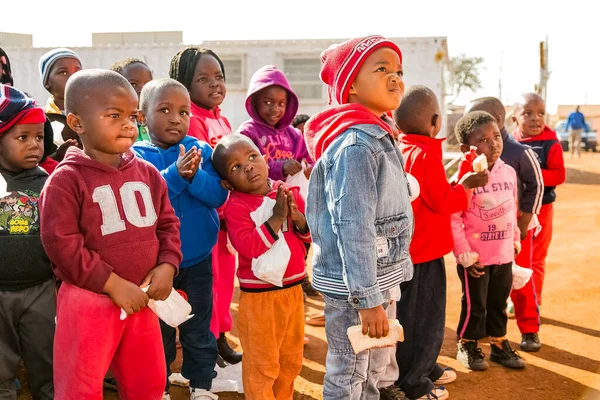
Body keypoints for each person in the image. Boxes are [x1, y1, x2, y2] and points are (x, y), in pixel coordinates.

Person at [39, 69, 183, 400]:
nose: (128, 124)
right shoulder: (66, 180)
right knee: (80, 386)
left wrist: (167, 265)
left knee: (147, 382)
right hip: (88, 302)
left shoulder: (147, 173)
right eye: (113, 115)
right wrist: (112, 284)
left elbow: (167, 224)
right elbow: (62, 245)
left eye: (132, 115)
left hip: (142, 300)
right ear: (77, 123)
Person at [303, 35, 414, 399]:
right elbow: (353, 227)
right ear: (350, 85)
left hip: (379, 279)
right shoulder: (356, 147)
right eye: (382, 69)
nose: (395, 78)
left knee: (376, 367)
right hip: (358, 289)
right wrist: (367, 300)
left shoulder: (381, 136)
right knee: (349, 372)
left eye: (398, 71)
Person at [133, 78, 227, 400]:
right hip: (156, 266)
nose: (176, 118)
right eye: (165, 110)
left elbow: (217, 196)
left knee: (198, 326)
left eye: (184, 111)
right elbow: (144, 203)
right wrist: (175, 174)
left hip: (198, 260)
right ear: (142, 115)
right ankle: (159, 387)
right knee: (156, 332)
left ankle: (201, 386)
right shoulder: (134, 158)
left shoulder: (201, 149)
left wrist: (195, 175)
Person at [394, 86, 488, 400]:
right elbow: (445, 201)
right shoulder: (424, 154)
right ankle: (415, 382)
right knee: (425, 319)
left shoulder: (403, 147)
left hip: (409, 253)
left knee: (410, 316)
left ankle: (423, 365)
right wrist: (466, 186)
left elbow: (429, 195)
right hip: (426, 254)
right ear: (435, 121)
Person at [212, 133, 310, 400]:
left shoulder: (286, 192)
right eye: (236, 167)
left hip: (293, 292)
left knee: (290, 360)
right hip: (260, 299)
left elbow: (307, 237)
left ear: (265, 159)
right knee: (262, 364)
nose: (248, 167)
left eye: (253, 157)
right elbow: (249, 247)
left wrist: (298, 219)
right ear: (227, 183)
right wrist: (278, 217)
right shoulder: (236, 206)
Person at [169, 47, 241, 363]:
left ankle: (220, 334)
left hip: (226, 216)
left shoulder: (221, 118)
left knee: (224, 281)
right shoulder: (192, 123)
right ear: (184, 84)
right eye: (203, 78)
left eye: (219, 77)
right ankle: (207, 341)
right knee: (207, 285)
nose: (214, 84)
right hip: (207, 216)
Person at [452, 111, 526, 371]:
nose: (493, 143)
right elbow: (455, 217)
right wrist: (464, 255)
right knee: (476, 305)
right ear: (466, 148)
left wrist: (514, 241)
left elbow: (511, 209)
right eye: (483, 140)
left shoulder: (508, 172)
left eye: (496, 136)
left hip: (503, 254)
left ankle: (498, 342)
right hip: (476, 259)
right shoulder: (465, 178)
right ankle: (467, 343)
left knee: (498, 303)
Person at [464, 97, 544, 338]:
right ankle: (487, 333)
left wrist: (520, 227)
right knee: (488, 285)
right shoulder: (473, 153)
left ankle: (529, 329)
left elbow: (536, 187)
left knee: (520, 277)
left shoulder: (520, 152)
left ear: (497, 121)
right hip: (486, 234)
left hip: (516, 228)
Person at [0, 85, 54, 400]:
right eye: (23, 138)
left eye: (38, 137)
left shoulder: (47, 181)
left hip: (42, 289)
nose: (34, 145)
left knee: (47, 359)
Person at [511, 93, 566, 351]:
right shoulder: (509, 142)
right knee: (515, 259)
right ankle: (515, 300)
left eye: (541, 113)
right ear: (515, 118)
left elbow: (558, 174)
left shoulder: (550, 142)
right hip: (516, 213)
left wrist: (530, 172)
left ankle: (536, 300)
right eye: (528, 114)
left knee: (536, 259)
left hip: (542, 210)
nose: (536, 119)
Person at [237, 65, 313, 182]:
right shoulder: (247, 133)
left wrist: (310, 168)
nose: (275, 109)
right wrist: (280, 167)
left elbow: (310, 159)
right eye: (267, 102)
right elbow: (245, 167)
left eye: (281, 103)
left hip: (292, 197)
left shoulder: (295, 135)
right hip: (260, 198)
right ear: (254, 102)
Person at [38, 48, 82, 161]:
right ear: (47, 82)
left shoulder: (96, 112)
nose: (72, 77)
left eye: (77, 71)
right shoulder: (41, 118)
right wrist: (57, 156)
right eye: (63, 72)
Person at [110, 58, 153, 142]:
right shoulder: (114, 127)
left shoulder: (155, 123)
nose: (142, 89)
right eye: (133, 84)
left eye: (147, 84)